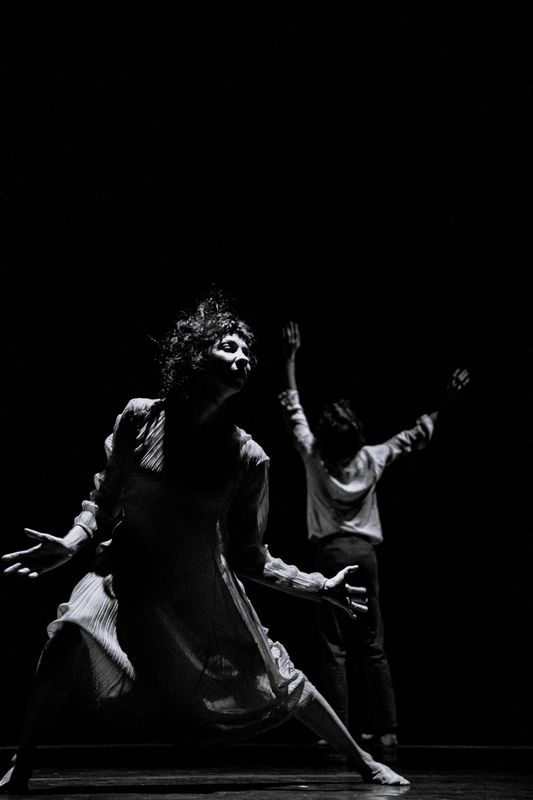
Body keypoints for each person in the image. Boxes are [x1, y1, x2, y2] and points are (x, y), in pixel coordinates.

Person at [0, 293, 410, 794]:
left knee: (277, 678)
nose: (243, 358)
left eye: (248, 353)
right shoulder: (139, 417)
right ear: (196, 355)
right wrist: (70, 542)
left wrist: (319, 587)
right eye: (229, 346)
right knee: (67, 636)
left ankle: (364, 760)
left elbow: (250, 557)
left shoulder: (247, 456)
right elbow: (104, 501)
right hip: (124, 576)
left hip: (197, 591)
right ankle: (23, 762)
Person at [279, 320, 470, 764]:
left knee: (334, 646)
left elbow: (293, 408)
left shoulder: (313, 454)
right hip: (364, 556)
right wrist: (448, 399)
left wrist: (289, 357)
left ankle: (337, 731)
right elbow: (417, 434)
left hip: (331, 554)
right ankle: (386, 730)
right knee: (372, 644)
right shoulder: (372, 457)